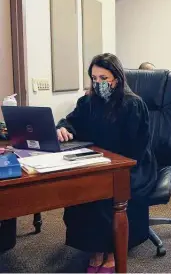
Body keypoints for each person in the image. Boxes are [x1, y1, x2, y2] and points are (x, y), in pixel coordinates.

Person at [56, 53, 157, 273]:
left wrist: (112, 165)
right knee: (80, 189)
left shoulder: (133, 104)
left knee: (107, 194)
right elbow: (71, 122)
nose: (98, 83)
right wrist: (63, 128)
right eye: (94, 78)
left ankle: (112, 251)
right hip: (98, 164)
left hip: (131, 166)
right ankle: (95, 249)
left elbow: (137, 148)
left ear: (117, 79)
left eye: (104, 78)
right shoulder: (87, 102)